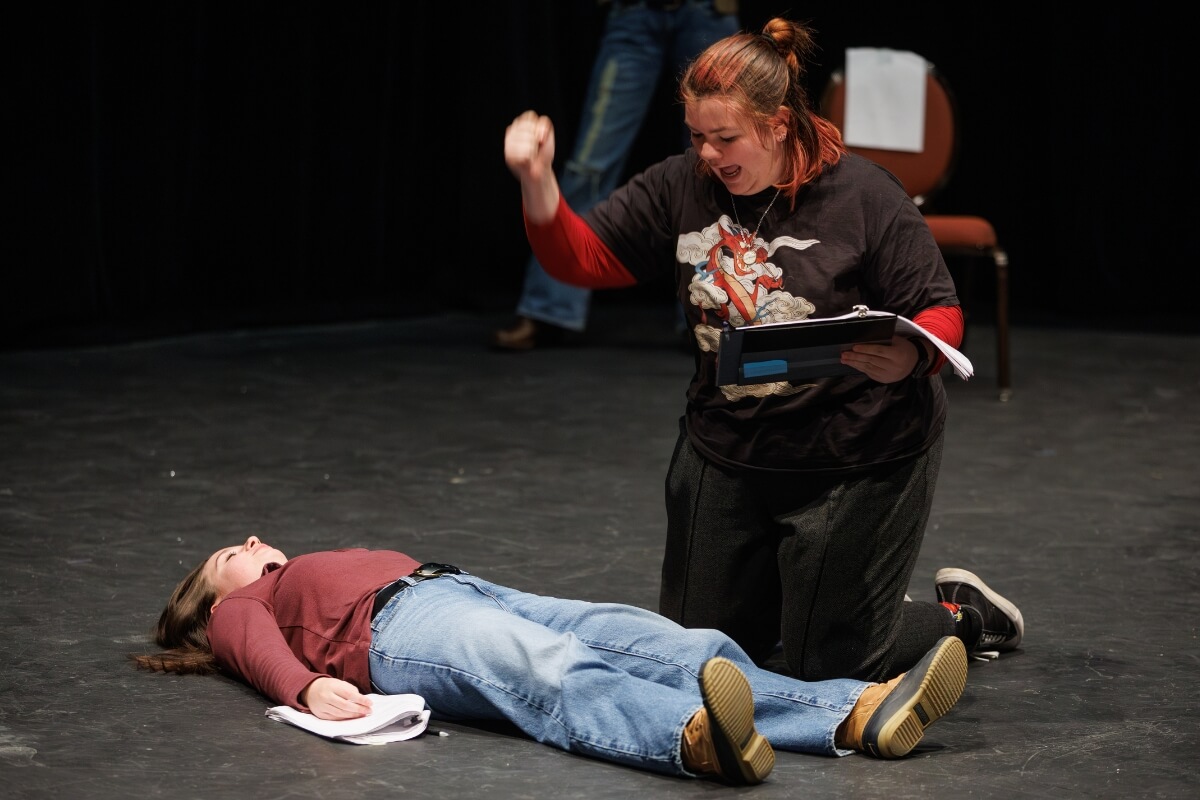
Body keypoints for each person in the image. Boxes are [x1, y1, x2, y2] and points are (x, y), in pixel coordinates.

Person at [502, 17, 1025, 683]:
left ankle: (959, 615)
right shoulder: (681, 185)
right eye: (697, 137)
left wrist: (914, 358)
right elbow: (582, 260)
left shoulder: (863, 194)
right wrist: (537, 180)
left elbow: (941, 310)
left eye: (726, 138)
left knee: (832, 664)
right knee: (696, 658)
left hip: (857, 452)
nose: (710, 154)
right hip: (733, 447)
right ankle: (801, 595)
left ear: (779, 126)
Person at [131, 536, 972, 785]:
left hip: (461, 590)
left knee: (666, 641)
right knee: (546, 669)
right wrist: (307, 682)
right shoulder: (246, 609)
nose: (245, 545)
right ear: (210, 606)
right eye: (223, 558)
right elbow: (250, 646)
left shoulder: (277, 579)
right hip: (398, 633)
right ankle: (694, 740)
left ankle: (856, 713)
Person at [492, 0, 740, 351]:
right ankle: (549, 309)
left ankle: (709, 314)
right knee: (591, 161)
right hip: (635, 10)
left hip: (707, 12)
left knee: (715, 161)